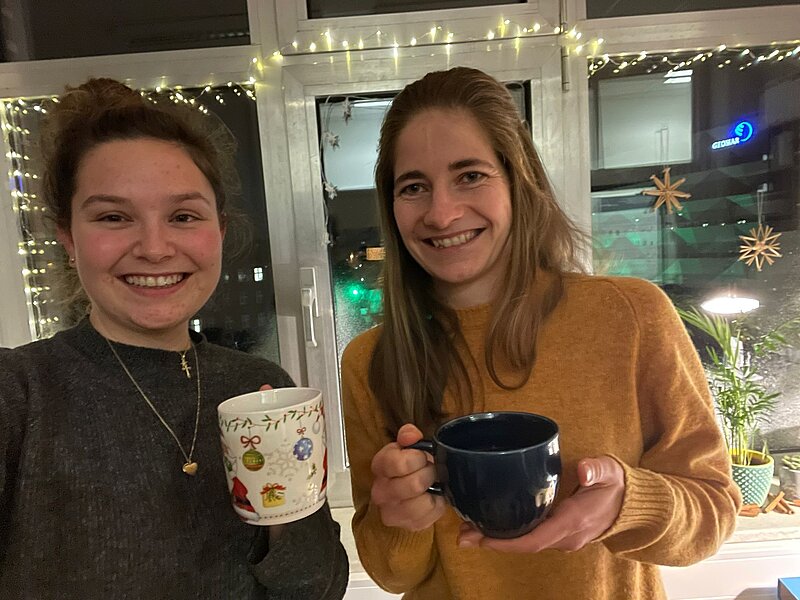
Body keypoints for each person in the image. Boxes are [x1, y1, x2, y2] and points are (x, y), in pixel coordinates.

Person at [341, 67, 741, 600]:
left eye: (470, 175)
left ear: (518, 180)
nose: (441, 213)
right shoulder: (370, 361)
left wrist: (626, 503)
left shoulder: (631, 317)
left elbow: (712, 511)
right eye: (413, 187)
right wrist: (399, 518)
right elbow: (394, 575)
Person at [0, 78, 348, 599]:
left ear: (219, 232)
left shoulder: (260, 389)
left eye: (183, 216)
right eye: (114, 217)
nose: (155, 248)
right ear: (68, 238)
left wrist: (286, 502)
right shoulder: (19, 394)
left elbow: (318, 588)